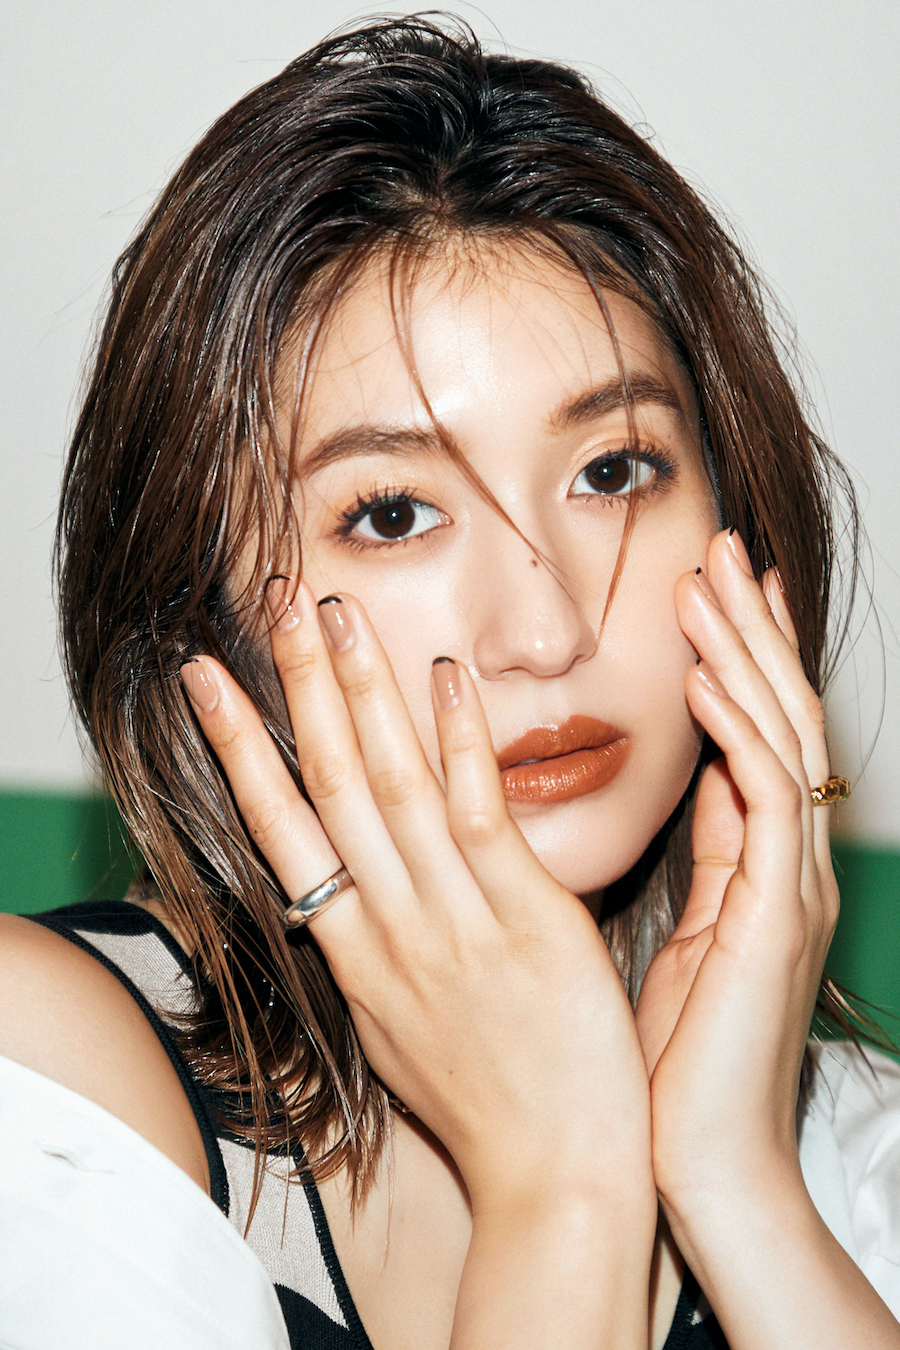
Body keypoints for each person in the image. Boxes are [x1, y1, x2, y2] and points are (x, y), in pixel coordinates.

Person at [1, 15, 898, 1349]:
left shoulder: (854, 1156)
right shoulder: (49, 1088)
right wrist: (560, 1182)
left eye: (613, 471)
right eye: (394, 513)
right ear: (204, 619)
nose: (543, 631)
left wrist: (741, 1186)